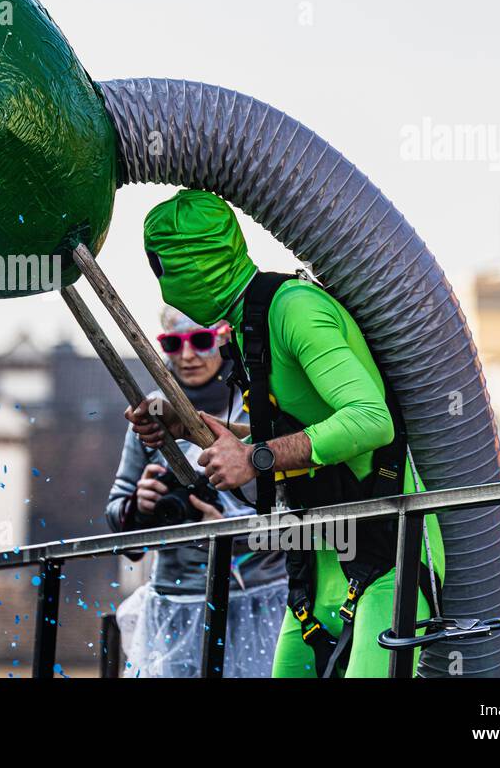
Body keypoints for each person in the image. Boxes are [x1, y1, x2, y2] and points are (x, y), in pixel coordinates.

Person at [127, 189, 445, 678]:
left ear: (190, 263)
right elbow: (291, 434)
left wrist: (253, 459)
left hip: (389, 550)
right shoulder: (247, 327)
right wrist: (185, 425)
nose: (164, 287)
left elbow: (369, 419)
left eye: (162, 269)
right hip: (316, 561)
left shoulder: (293, 310)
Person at [106, 305, 287, 678]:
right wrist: (141, 507)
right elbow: (121, 528)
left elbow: (303, 515)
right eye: (173, 343)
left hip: (264, 603)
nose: (187, 355)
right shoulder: (152, 411)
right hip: (177, 605)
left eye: (200, 341)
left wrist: (229, 531)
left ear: (222, 339)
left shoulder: (262, 401)